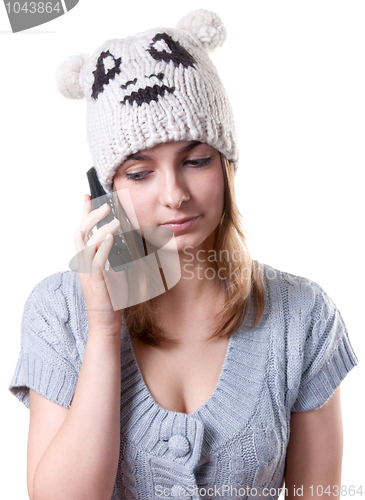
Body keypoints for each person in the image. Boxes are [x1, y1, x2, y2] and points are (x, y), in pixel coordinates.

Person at [9, 9, 359, 500]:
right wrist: (105, 328)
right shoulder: (59, 313)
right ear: (104, 190)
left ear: (227, 165)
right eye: (138, 173)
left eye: (196, 161)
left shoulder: (303, 316)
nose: (174, 194)